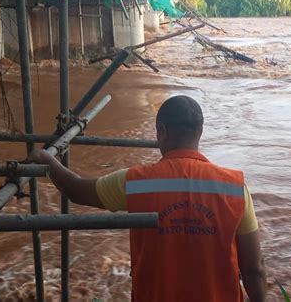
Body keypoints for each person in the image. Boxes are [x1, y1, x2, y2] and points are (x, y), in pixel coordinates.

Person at [29, 95, 267, 302]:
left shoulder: (136, 182)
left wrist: (47, 160)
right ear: (200, 131)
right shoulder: (235, 188)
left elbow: (77, 190)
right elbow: (254, 270)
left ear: (162, 132)